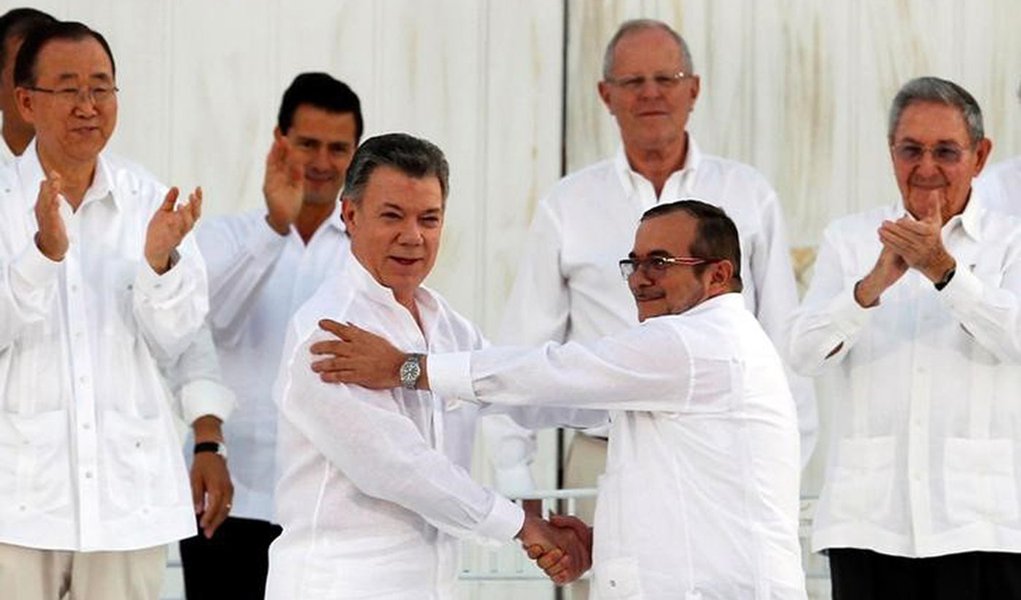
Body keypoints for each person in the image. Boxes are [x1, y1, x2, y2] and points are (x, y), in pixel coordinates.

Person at [313, 199, 807, 599]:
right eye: (634, 263)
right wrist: (609, 546)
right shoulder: (696, 354)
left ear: (718, 275)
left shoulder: (696, 342)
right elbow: (574, 410)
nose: (640, 278)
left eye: (660, 263)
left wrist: (408, 369)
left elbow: (556, 375)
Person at [493, 19, 816, 547]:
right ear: (606, 95)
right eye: (633, 81)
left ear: (694, 89)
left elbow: (782, 341)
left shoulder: (749, 195)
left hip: (727, 458)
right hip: (603, 457)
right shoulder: (568, 205)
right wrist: (515, 479)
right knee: (603, 580)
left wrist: (788, 470)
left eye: (666, 79)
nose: (650, 94)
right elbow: (525, 345)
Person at [266, 133, 600, 599]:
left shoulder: (447, 324)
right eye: (392, 216)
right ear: (350, 215)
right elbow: (401, 468)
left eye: (429, 218)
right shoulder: (328, 332)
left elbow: (516, 391)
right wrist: (523, 525)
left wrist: (619, 403)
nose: (413, 237)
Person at [0, 6, 235, 548]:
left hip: (130, 502)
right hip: (17, 504)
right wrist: (40, 257)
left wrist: (159, 265)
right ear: (26, 99)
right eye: (68, 89)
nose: (87, 106)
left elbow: (180, 339)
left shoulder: (149, 198)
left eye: (100, 88)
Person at [787, 76, 1021, 599]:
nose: (927, 167)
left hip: (982, 520)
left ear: (980, 156)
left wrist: (945, 272)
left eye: (946, 151)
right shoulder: (849, 239)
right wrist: (869, 288)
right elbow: (802, 353)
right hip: (867, 520)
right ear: (891, 153)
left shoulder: (1011, 241)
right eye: (911, 150)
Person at [178, 72, 363, 600]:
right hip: (227, 496)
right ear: (279, 141)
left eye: (338, 149)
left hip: (328, 506)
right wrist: (274, 229)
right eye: (308, 144)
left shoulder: (367, 256)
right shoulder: (222, 237)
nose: (322, 162)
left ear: (356, 156)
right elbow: (202, 323)